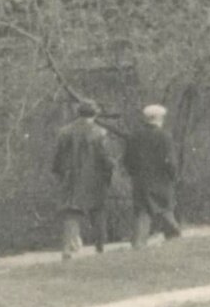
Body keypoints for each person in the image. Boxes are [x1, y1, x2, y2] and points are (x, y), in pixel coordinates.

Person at [49, 99, 119, 259]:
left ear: (78, 112)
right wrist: (109, 174)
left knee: (71, 213)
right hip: (95, 179)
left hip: (71, 177)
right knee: (98, 212)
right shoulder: (100, 133)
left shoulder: (64, 131)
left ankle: (67, 248)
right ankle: (100, 248)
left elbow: (58, 158)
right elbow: (106, 158)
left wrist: (59, 175)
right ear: (95, 114)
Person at [124, 104, 184, 246]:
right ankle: (174, 236)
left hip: (140, 180)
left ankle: (139, 242)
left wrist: (134, 174)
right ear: (159, 118)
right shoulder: (164, 136)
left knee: (143, 211)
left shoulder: (134, 136)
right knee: (165, 209)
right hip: (161, 180)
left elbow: (127, 160)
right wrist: (173, 176)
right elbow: (171, 161)